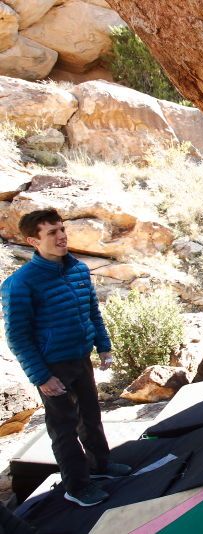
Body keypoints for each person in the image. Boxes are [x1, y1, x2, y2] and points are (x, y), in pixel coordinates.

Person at [1, 209, 131, 508]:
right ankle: (77, 485)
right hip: (52, 367)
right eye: (51, 233)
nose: (61, 236)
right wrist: (42, 377)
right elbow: (17, 337)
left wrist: (104, 346)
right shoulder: (20, 284)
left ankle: (100, 465)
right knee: (63, 428)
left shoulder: (79, 270)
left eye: (61, 229)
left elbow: (92, 313)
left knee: (91, 415)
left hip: (80, 357)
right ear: (34, 240)